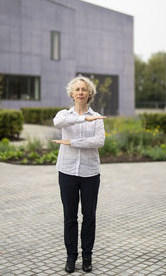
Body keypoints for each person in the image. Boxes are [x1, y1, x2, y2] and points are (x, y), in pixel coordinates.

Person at [52, 76, 106, 273]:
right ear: (72, 94)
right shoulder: (64, 115)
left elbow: (99, 141)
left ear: (89, 94)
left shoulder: (98, 117)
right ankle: (71, 257)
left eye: (84, 89)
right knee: (69, 216)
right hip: (67, 171)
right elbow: (58, 123)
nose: (81, 92)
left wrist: (72, 143)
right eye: (77, 89)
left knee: (89, 215)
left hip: (90, 173)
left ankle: (87, 257)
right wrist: (84, 118)